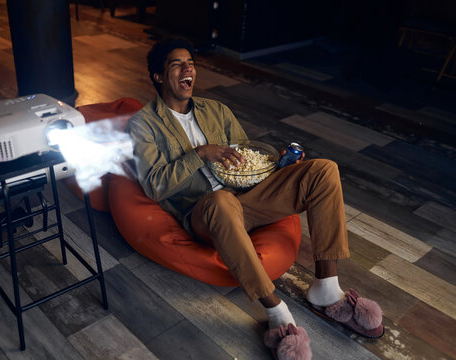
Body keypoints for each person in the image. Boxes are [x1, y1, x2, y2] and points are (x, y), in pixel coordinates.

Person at [127, 37, 384, 360]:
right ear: (159, 77)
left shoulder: (216, 110)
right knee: (221, 202)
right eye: (176, 64)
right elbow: (153, 186)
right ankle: (275, 311)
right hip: (203, 211)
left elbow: (247, 157)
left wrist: (278, 165)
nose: (187, 69)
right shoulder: (143, 125)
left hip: (247, 198)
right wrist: (200, 154)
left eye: (191, 62)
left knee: (323, 170)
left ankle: (326, 287)